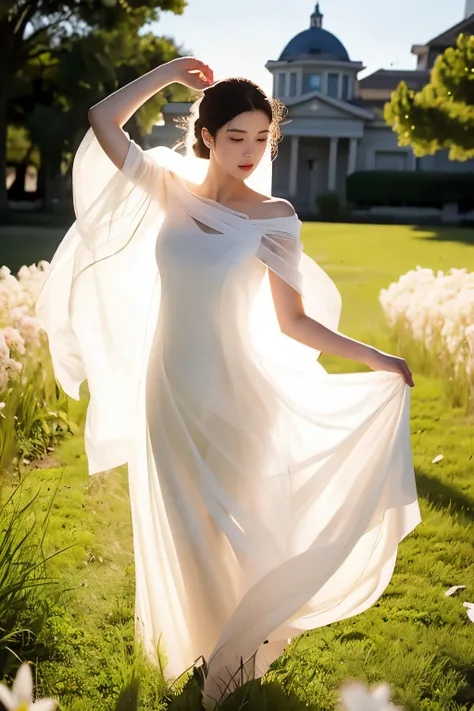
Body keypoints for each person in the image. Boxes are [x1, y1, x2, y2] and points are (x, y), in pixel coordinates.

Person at [35, 57, 421, 709]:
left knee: (231, 530)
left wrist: (378, 358)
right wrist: (166, 73)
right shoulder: (166, 189)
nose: (249, 152)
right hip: (168, 389)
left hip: (237, 395)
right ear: (207, 136)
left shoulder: (276, 216)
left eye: (261, 139)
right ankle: (203, 659)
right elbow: (102, 119)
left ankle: (231, 667)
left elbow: (293, 321)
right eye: (236, 137)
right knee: (183, 529)